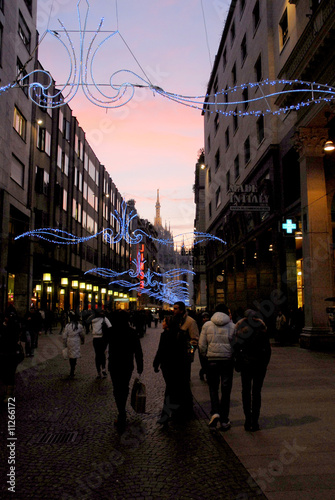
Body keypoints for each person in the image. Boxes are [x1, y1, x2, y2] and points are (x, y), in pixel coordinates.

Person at [233, 309, 271, 432]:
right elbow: (268, 350)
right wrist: (264, 364)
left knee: (245, 392)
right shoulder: (263, 331)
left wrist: (238, 363)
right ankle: (255, 421)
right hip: (259, 366)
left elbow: (236, 349)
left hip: (246, 365)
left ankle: (247, 419)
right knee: (256, 393)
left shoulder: (241, 332)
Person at [199, 304, 235, 430]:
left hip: (212, 361)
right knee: (226, 390)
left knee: (213, 387)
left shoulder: (207, 325)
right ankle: (224, 420)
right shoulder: (232, 326)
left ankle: (215, 412)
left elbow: (202, 345)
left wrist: (205, 356)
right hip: (227, 361)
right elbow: (235, 345)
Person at [107, 310, 143, 433]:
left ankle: (121, 411)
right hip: (127, 364)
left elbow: (102, 345)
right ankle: (122, 409)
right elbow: (138, 351)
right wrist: (140, 365)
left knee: (116, 388)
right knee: (124, 386)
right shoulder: (132, 333)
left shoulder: (111, 332)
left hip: (114, 364)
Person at [0, 310, 21, 403]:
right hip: (11, 353)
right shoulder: (14, 327)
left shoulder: (8, 328)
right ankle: (8, 393)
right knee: (9, 373)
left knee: (8, 373)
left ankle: (8, 393)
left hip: (8, 353)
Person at [88, 308, 112, 379]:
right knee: (102, 354)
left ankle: (98, 371)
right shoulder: (104, 319)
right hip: (102, 338)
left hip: (95, 339)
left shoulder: (93, 319)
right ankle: (103, 369)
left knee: (97, 354)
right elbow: (110, 326)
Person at [62, 312, 85, 379]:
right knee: (74, 355)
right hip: (76, 341)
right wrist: (83, 340)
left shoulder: (68, 326)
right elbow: (82, 334)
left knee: (70, 355)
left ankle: (72, 367)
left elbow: (64, 335)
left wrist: (65, 342)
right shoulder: (79, 326)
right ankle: (73, 367)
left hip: (69, 341)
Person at [198, 311, 210, 381]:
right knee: (204, 363)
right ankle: (202, 373)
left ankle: (208, 376)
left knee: (208, 363)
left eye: (207, 317)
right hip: (202, 347)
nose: (205, 319)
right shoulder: (199, 326)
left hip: (209, 346)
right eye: (204, 318)